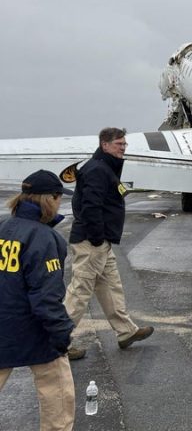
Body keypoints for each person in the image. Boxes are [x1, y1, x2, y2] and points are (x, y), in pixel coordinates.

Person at [64, 127, 153, 360]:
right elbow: (89, 206)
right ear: (105, 145)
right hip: (92, 242)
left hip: (101, 242)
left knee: (111, 286)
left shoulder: (104, 167)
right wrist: (96, 237)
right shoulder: (97, 170)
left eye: (124, 144)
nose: (123, 148)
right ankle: (56, 343)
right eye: (118, 144)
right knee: (80, 292)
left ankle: (126, 331)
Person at [0, 170, 76, 431]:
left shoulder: (3, 227)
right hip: (32, 327)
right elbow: (46, 297)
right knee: (58, 392)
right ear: (50, 199)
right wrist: (62, 334)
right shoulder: (44, 238)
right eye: (59, 198)